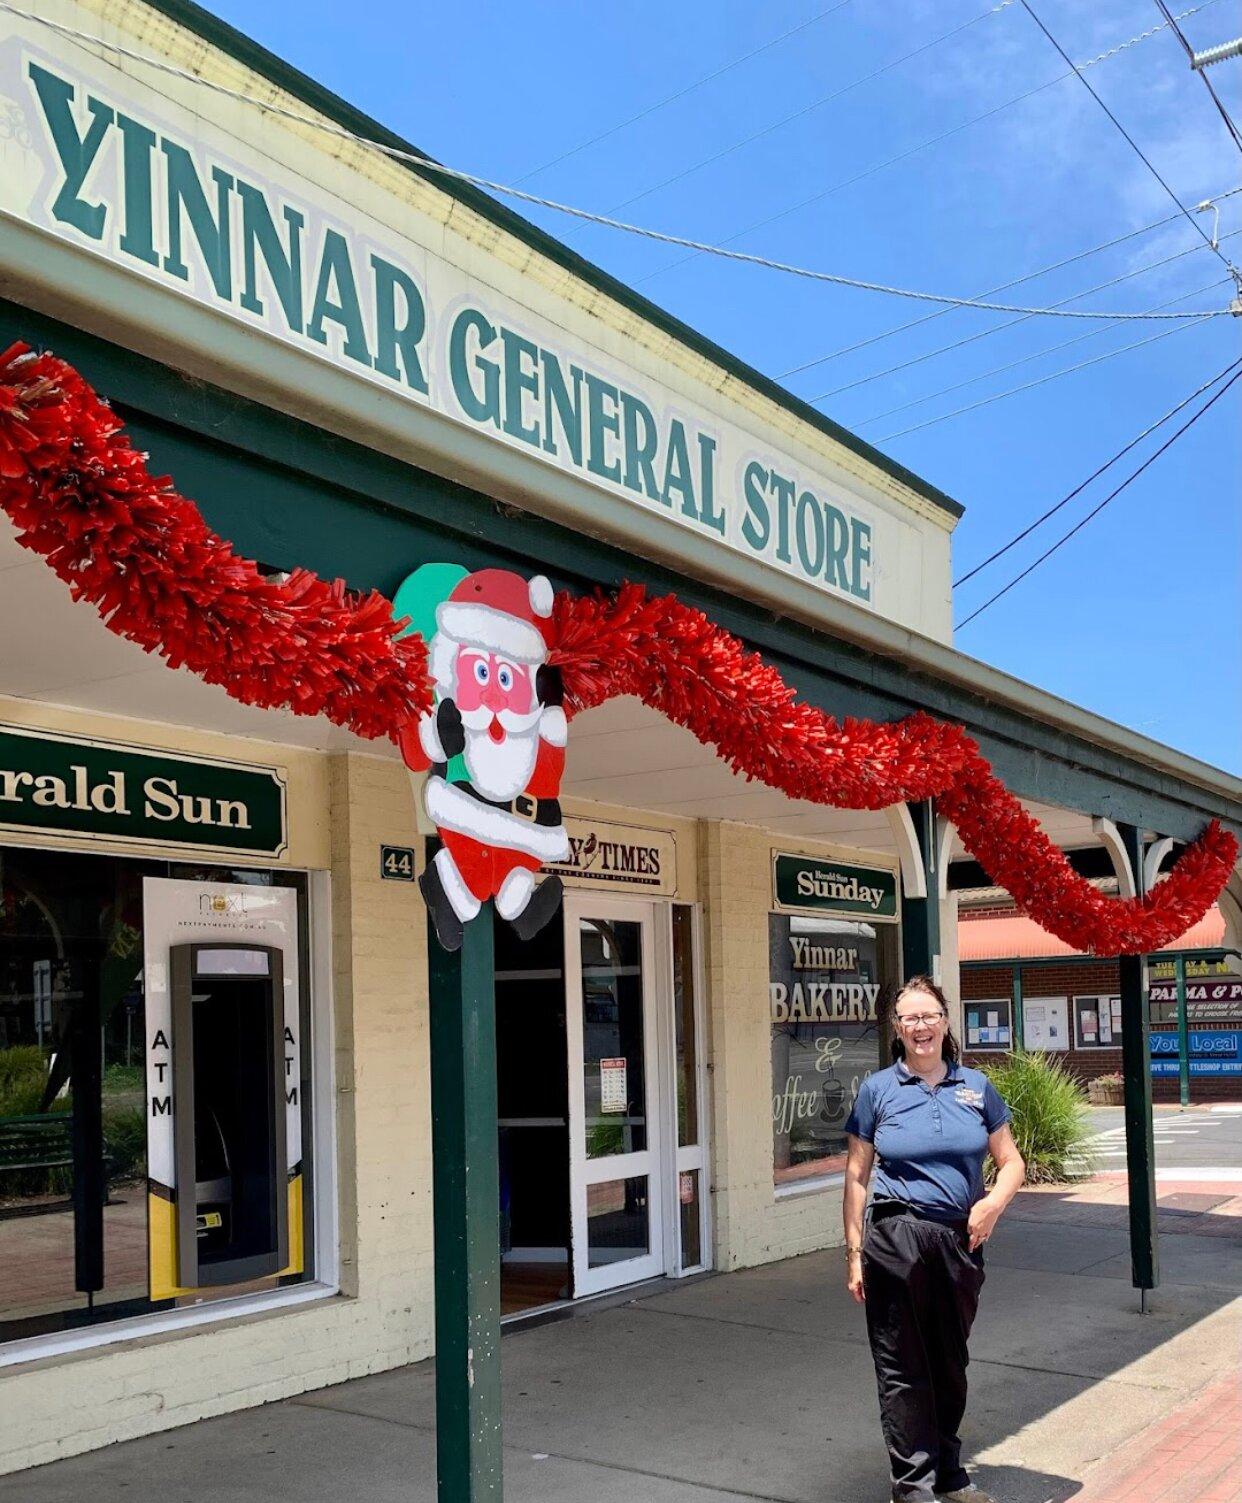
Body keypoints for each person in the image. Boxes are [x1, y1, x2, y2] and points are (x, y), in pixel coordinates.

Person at [843, 976, 1025, 1503]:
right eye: (909, 1019)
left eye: (930, 1016)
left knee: (950, 1362)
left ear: (946, 1023)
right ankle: (912, 1489)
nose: (921, 1027)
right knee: (902, 1368)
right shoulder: (878, 1090)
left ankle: (949, 1474)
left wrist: (992, 1203)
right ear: (897, 1030)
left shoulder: (977, 1087)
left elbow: (1011, 1162)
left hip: (958, 1242)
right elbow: (856, 1177)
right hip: (896, 1236)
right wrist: (854, 1254)